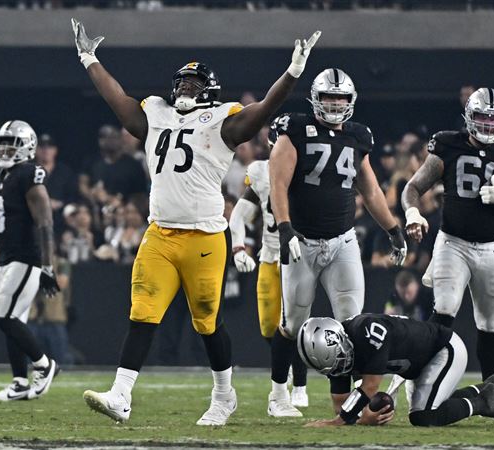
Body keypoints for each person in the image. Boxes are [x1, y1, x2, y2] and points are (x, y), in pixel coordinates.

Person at [71, 17, 321, 426]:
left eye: (194, 84)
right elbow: (118, 100)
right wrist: (89, 59)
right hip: (159, 234)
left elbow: (263, 111)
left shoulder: (224, 120)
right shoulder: (155, 113)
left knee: (207, 322)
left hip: (205, 237)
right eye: (182, 83)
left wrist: (292, 74)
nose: (186, 89)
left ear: (210, 91)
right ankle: (120, 394)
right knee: (142, 312)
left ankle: (224, 396)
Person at [267, 68, 407, 417]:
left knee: (350, 323)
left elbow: (370, 189)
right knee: (294, 323)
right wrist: (284, 227)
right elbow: (278, 183)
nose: (333, 103)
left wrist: (393, 227)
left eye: (340, 98)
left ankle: (344, 404)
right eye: (328, 97)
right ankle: (278, 393)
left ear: (350, 101)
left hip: (342, 241)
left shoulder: (358, 137)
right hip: (302, 240)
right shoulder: (295, 128)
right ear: (315, 98)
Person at [402, 88, 494, 380]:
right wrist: (412, 212)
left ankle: (491, 392)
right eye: (482, 117)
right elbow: (413, 187)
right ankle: (423, 383)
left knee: (490, 324)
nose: (488, 125)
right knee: (444, 312)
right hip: (453, 243)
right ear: (468, 117)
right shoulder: (447, 144)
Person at [0, 120, 61, 402]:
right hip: (7, 256)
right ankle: (20, 382)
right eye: (3, 143)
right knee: (14, 320)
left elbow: (45, 223)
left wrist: (48, 266)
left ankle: (44, 365)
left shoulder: (29, 173)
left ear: (28, 147)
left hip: (27, 256)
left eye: (13, 144)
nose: (6, 149)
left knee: (4, 316)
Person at [298, 315, 494, 428]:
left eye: (341, 356)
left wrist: (338, 422)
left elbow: (370, 386)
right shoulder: (334, 357)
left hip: (443, 350)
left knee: (424, 416)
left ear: (340, 337)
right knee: (430, 406)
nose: (341, 364)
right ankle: (484, 389)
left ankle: (485, 403)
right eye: (334, 364)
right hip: (418, 366)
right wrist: (360, 418)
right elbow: (341, 404)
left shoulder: (367, 331)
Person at [229, 114, 309, 409]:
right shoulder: (261, 172)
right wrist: (238, 248)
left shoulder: (310, 171)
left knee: (293, 326)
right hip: (269, 256)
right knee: (267, 327)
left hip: (300, 258)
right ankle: (285, 368)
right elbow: (239, 216)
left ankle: (299, 384)